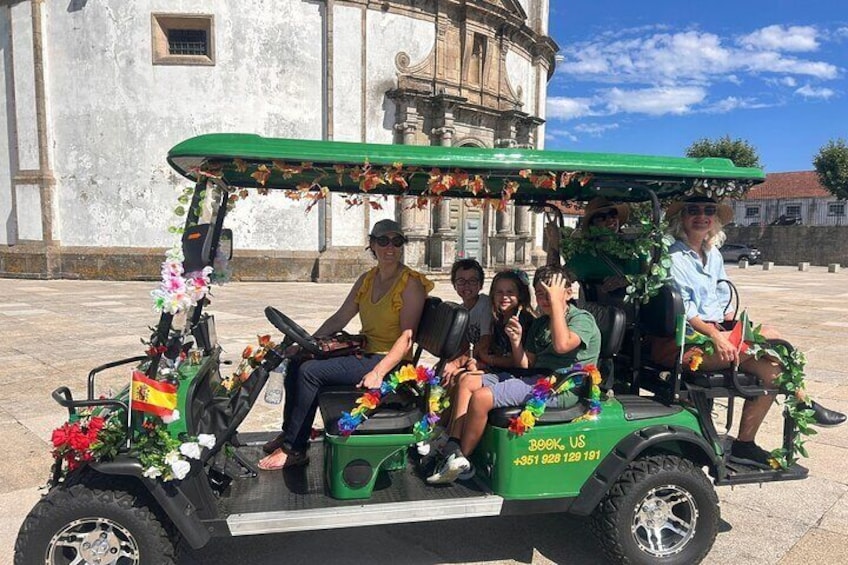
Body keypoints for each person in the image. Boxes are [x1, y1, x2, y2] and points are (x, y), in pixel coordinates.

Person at [653, 196, 845, 468]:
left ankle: (745, 444)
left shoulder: (714, 255)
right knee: (770, 339)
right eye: (693, 211)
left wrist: (736, 327)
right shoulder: (674, 257)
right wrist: (719, 336)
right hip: (685, 342)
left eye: (708, 211)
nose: (702, 216)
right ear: (681, 218)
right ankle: (804, 402)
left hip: (716, 332)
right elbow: (687, 312)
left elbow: (723, 301)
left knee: (773, 370)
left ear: (715, 220)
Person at [258, 219, 433, 470]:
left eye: (396, 241)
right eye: (383, 241)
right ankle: (290, 433)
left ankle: (294, 449)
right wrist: (308, 343)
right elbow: (341, 317)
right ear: (372, 244)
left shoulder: (410, 284)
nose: (390, 247)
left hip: (389, 362)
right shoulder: (367, 279)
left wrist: (378, 372)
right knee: (299, 361)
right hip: (365, 352)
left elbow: (406, 339)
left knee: (310, 374)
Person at [428, 265, 601, 484]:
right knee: (468, 381)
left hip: (562, 386)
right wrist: (517, 341)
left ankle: (463, 461)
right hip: (536, 378)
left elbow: (562, 345)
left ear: (567, 293)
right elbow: (525, 363)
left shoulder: (581, 319)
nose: (545, 299)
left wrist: (557, 303)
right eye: (540, 294)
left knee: (482, 397)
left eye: (551, 294)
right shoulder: (541, 324)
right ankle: (454, 447)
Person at [440, 259, 491, 384]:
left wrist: (456, 364)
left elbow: (486, 340)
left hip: (491, 359)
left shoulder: (485, 305)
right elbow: (463, 345)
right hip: (475, 358)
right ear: (454, 284)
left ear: (481, 284)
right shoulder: (460, 311)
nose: (467, 286)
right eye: (461, 281)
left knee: (456, 377)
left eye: (472, 281)